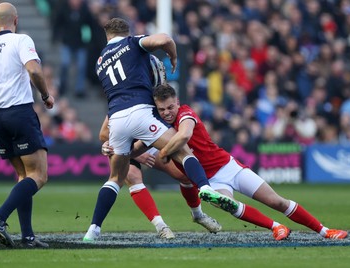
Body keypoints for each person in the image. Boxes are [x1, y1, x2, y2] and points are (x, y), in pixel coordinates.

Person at [83, 17, 237, 241]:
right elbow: (164, 39)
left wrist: (126, 147)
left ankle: (93, 230)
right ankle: (170, 219)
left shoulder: (100, 62)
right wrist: (173, 56)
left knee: (117, 177)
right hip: (141, 120)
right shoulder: (136, 50)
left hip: (120, 119)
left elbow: (108, 128)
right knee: (178, 156)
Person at [151, 83, 348, 241]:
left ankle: (325, 231)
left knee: (276, 201)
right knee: (226, 203)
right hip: (210, 182)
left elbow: (184, 135)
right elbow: (141, 146)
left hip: (228, 167)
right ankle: (276, 227)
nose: (167, 112)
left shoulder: (185, 113)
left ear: (177, 102)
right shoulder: (156, 128)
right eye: (162, 109)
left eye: (170, 107)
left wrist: (164, 152)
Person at [83, 116, 222, 241]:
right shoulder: (123, 99)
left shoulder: (151, 99)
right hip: (126, 146)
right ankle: (161, 226)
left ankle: (198, 214)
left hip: (149, 143)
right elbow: (103, 134)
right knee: (132, 177)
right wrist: (136, 154)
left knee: (183, 176)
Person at [0, 2, 55, 248]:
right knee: (39, 176)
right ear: (16, 21)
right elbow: (35, 71)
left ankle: (28, 237)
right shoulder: (20, 40)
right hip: (18, 113)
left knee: (23, 175)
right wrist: (45, 95)